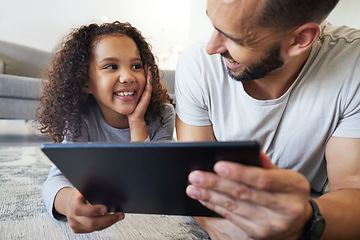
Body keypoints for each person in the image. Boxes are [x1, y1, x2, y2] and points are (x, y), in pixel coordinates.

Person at [175, 0, 360, 239]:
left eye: (235, 38)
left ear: (300, 39)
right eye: (213, 24)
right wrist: (217, 227)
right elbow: (193, 181)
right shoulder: (198, 64)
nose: (211, 47)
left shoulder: (353, 65)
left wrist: (304, 220)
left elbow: (352, 190)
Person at [37, 21, 175, 233]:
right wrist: (70, 205)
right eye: (111, 66)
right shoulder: (80, 118)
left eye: (136, 66)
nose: (128, 76)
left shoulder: (163, 115)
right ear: (85, 83)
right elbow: (55, 181)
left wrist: (136, 122)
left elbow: (155, 184)